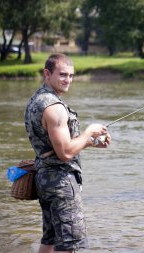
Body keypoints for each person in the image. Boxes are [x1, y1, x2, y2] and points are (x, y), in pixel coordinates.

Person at [24, 53, 111, 253]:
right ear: (47, 74)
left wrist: (90, 142)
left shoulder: (35, 101)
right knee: (69, 245)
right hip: (61, 183)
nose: (68, 80)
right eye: (63, 75)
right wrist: (89, 131)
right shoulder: (54, 108)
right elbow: (64, 152)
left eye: (71, 76)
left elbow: (53, 146)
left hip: (45, 180)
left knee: (50, 241)